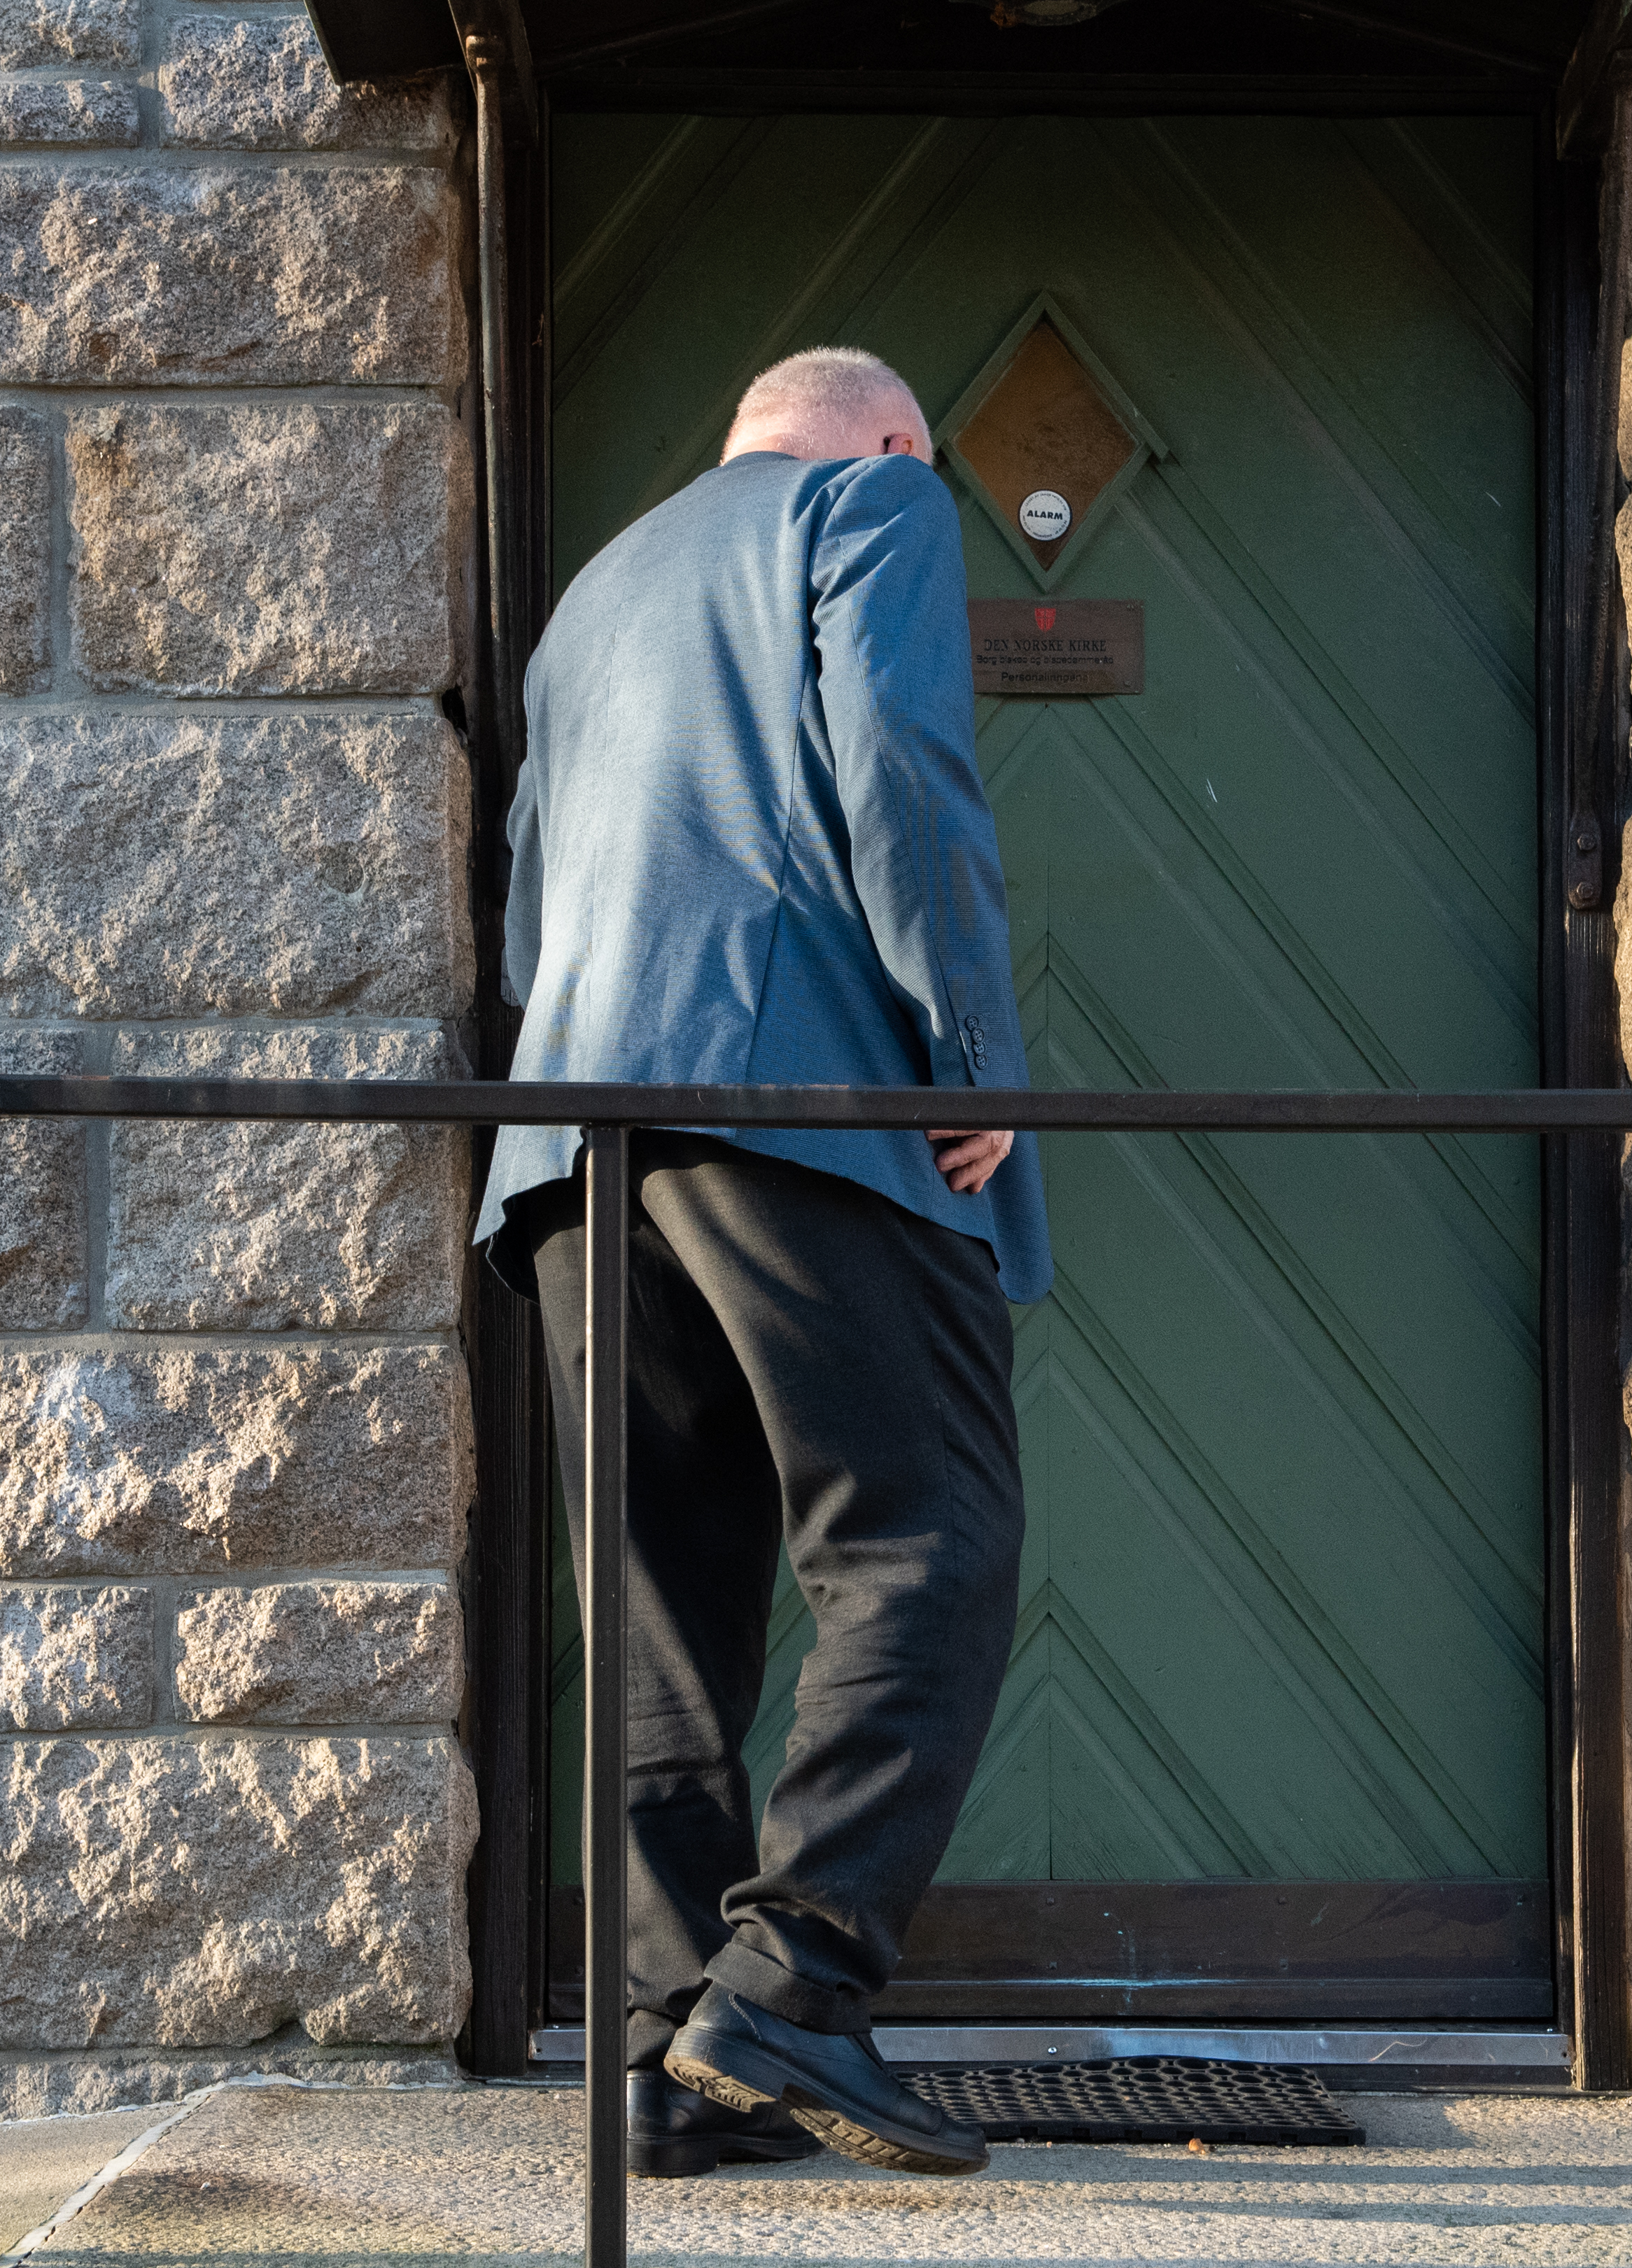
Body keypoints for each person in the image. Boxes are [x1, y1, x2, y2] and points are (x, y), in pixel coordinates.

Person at [474, 346, 1051, 2181]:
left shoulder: (593, 596)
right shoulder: (868, 506)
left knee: (656, 1591)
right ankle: (793, 1991)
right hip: (800, 1106)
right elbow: (902, 768)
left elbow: (525, 893)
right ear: (896, 440)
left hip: (572, 1141)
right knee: (929, 1537)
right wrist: (970, 1059)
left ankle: (667, 2056)